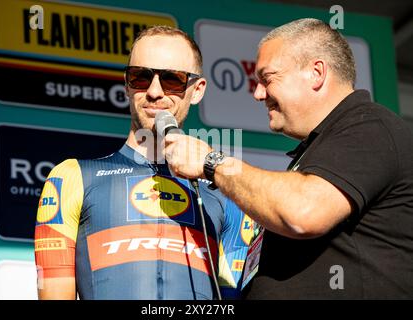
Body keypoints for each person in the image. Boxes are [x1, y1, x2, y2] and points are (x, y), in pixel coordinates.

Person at [162, 18, 413, 299]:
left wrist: (212, 163)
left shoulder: (370, 126)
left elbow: (303, 213)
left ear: (316, 73)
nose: (258, 94)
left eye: (267, 79)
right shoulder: (321, 148)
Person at [34, 26, 253, 300]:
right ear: (127, 84)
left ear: (196, 90)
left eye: (172, 79)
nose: (154, 92)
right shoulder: (73, 177)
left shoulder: (226, 192)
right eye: (141, 77)